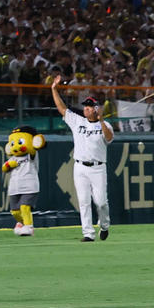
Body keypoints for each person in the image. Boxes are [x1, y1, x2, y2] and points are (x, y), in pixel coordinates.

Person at [51, 75, 114, 241]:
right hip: (80, 167)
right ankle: (88, 233)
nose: (86, 109)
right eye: (85, 106)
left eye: (90, 107)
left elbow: (108, 138)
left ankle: (104, 225)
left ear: (96, 109)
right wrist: (54, 89)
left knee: (101, 202)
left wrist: (101, 120)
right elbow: (62, 108)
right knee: (84, 201)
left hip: (98, 167)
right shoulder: (78, 121)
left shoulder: (105, 125)